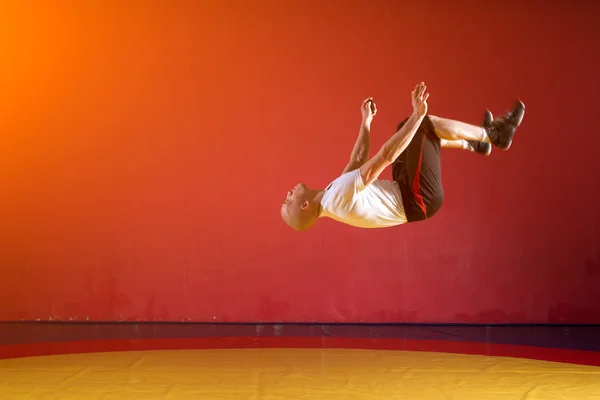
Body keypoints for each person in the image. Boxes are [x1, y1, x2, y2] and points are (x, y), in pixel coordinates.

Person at [281, 82, 525, 231]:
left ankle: (475, 145)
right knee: (420, 125)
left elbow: (357, 160)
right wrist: (418, 114)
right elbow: (385, 157)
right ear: (305, 205)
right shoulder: (337, 198)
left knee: (404, 129)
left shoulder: (332, 195)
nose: (288, 194)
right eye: (288, 201)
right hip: (418, 199)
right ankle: (495, 135)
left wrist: (366, 121)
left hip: (405, 190)